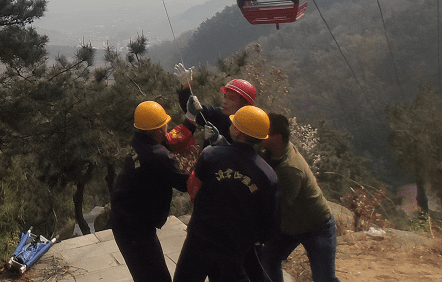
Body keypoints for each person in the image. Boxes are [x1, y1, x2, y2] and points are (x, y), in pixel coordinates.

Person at [173, 106, 280, 282]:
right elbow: (269, 222)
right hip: (235, 246)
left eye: (233, 123)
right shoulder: (267, 174)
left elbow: (193, 190)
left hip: (200, 239)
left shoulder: (211, 155)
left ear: (238, 131)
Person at [111, 101, 194, 282]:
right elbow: (184, 182)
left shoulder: (140, 142)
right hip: (135, 227)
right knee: (155, 277)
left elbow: (169, 140)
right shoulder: (157, 155)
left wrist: (191, 120)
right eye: (165, 124)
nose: (168, 127)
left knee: (146, 274)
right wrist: (208, 164)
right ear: (157, 131)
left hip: (127, 220)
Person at [260, 113, 342, 282]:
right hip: (291, 226)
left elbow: (277, 208)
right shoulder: (275, 150)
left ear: (278, 137)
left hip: (316, 226)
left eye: (266, 133)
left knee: (324, 278)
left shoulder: (290, 168)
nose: (260, 135)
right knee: (268, 258)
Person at [175, 63, 257, 147]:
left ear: (245, 105)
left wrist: (221, 143)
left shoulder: (251, 130)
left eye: (231, 99)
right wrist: (186, 86)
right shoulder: (217, 115)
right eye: (225, 97)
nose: (225, 101)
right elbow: (192, 110)